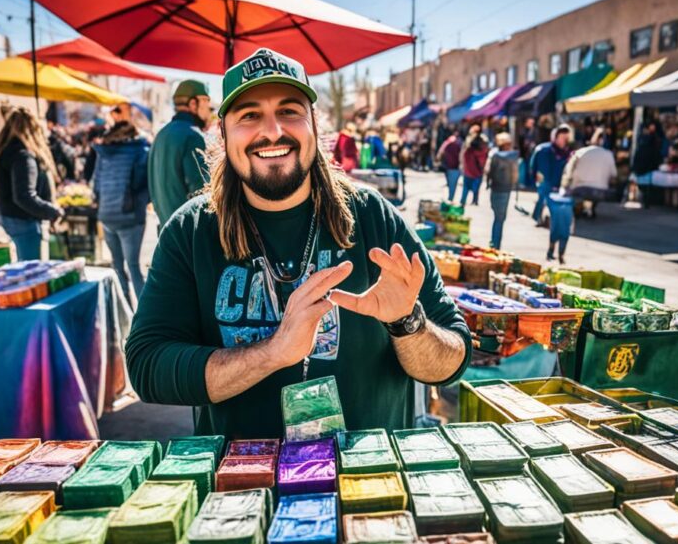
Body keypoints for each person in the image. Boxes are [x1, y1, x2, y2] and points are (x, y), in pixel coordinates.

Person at [125, 47, 470, 438]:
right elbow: (147, 366)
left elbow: (453, 359)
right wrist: (273, 353)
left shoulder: (372, 217)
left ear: (314, 125)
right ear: (222, 134)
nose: (272, 131)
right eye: (250, 115)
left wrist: (407, 324)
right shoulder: (191, 231)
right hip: (245, 490)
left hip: (370, 484)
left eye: (289, 111)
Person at [0, 107, 63, 261]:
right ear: (32, 129)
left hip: (13, 217)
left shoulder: (7, 151)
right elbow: (24, 195)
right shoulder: (22, 156)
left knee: (26, 267)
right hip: (24, 220)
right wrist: (51, 211)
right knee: (32, 272)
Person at [93, 104, 150, 304]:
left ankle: (124, 309)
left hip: (106, 214)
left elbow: (96, 186)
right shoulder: (140, 150)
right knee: (133, 265)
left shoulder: (104, 153)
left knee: (117, 265)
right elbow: (144, 183)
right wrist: (142, 203)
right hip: (129, 215)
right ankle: (144, 317)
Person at [149, 79, 212, 228]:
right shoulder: (193, 136)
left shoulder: (161, 134)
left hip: (166, 231)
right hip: (189, 234)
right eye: (206, 101)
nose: (209, 108)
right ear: (193, 104)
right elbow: (202, 192)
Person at [562, 128, 617, 218]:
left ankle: (582, 208)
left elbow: (568, 170)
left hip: (579, 188)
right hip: (601, 190)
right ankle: (588, 209)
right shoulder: (609, 154)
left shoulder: (580, 152)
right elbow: (614, 175)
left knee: (574, 191)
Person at [529, 125, 572, 225]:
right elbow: (534, 166)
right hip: (545, 181)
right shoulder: (543, 150)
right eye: (562, 138)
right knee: (543, 198)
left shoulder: (567, 152)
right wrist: (534, 179)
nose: (564, 141)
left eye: (566, 138)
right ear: (555, 137)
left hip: (559, 182)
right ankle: (538, 217)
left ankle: (546, 219)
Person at [485, 132, 519, 249]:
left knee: (497, 216)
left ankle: (495, 242)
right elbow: (515, 174)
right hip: (505, 189)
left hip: (496, 188)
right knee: (500, 218)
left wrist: (487, 183)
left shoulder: (495, 155)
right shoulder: (513, 156)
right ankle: (496, 242)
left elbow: (488, 172)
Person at [460, 134, 488, 206]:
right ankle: (475, 200)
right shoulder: (482, 152)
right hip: (477, 173)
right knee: (476, 188)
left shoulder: (468, 151)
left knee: (465, 188)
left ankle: (463, 201)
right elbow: (482, 163)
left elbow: (464, 160)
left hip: (468, 172)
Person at [437, 131, 463, 201]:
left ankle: (450, 198)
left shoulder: (447, 143)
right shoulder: (458, 144)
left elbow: (440, 152)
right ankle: (450, 198)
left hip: (448, 167)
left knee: (450, 183)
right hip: (454, 168)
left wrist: (439, 159)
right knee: (452, 185)